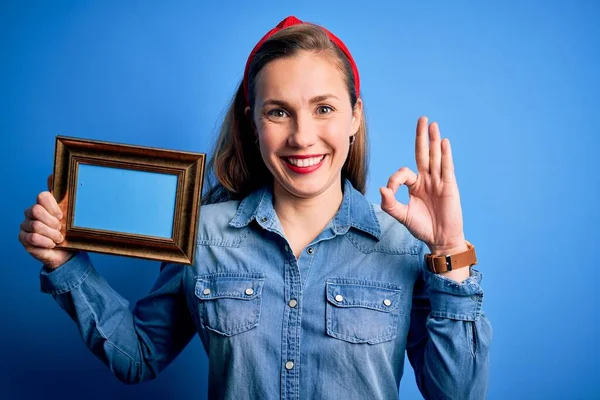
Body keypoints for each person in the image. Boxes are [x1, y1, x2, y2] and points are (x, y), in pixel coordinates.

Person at [19, 15, 491, 400]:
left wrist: (450, 250)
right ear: (254, 123)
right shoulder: (202, 235)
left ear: (355, 116)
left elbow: (458, 395)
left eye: (323, 108)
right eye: (279, 111)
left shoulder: (407, 247)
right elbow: (139, 356)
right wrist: (65, 265)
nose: (302, 136)